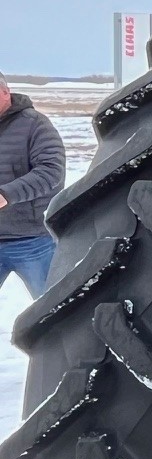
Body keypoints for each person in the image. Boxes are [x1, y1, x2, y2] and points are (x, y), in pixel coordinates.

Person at [0, 74, 67, 297]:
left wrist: (6, 194)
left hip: (33, 240)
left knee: (53, 311)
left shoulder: (35, 124)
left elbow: (51, 171)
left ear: (6, 92)